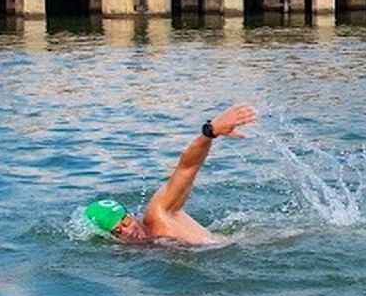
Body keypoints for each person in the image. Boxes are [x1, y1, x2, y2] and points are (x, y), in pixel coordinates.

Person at [81, 103, 258, 245]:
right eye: (117, 231)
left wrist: (210, 132)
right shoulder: (132, 250)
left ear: (130, 214)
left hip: (249, 247)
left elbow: (187, 168)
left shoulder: (159, 214)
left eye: (125, 222)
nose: (127, 231)